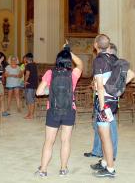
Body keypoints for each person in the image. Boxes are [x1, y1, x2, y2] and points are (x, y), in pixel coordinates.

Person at [35, 43, 83, 177]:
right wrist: (69, 51)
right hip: (69, 110)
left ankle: (43, 170)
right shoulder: (73, 73)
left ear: (57, 60)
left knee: (49, 141)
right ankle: (63, 169)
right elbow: (80, 64)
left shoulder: (50, 73)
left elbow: (38, 92)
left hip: (53, 111)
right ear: (69, 62)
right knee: (65, 140)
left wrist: (49, 91)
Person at [91, 34, 135, 178]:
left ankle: (110, 169)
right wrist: (117, 89)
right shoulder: (114, 58)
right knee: (105, 134)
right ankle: (104, 162)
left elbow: (99, 86)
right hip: (113, 100)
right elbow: (132, 74)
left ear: (96, 45)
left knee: (105, 137)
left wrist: (102, 106)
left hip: (104, 103)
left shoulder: (98, 60)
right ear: (108, 46)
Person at [84, 43, 118, 159]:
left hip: (107, 102)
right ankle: (97, 151)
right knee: (98, 126)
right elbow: (97, 83)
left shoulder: (115, 65)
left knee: (111, 129)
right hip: (100, 99)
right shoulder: (105, 64)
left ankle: (110, 155)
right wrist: (95, 85)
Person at [23, 53, 38, 119]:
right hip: (34, 84)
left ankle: (31, 115)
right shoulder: (34, 64)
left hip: (29, 84)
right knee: (30, 100)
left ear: (26, 58)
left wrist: (25, 81)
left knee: (30, 100)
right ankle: (29, 114)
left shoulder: (28, 65)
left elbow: (27, 74)